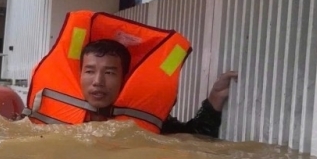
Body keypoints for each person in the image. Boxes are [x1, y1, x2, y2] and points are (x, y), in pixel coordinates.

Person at [76, 39, 236, 137]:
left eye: (109, 72)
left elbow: (197, 138)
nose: (98, 81)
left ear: (125, 79)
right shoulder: (53, 116)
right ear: (80, 74)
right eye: (90, 71)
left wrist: (215, 97)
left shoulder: (144, 117)